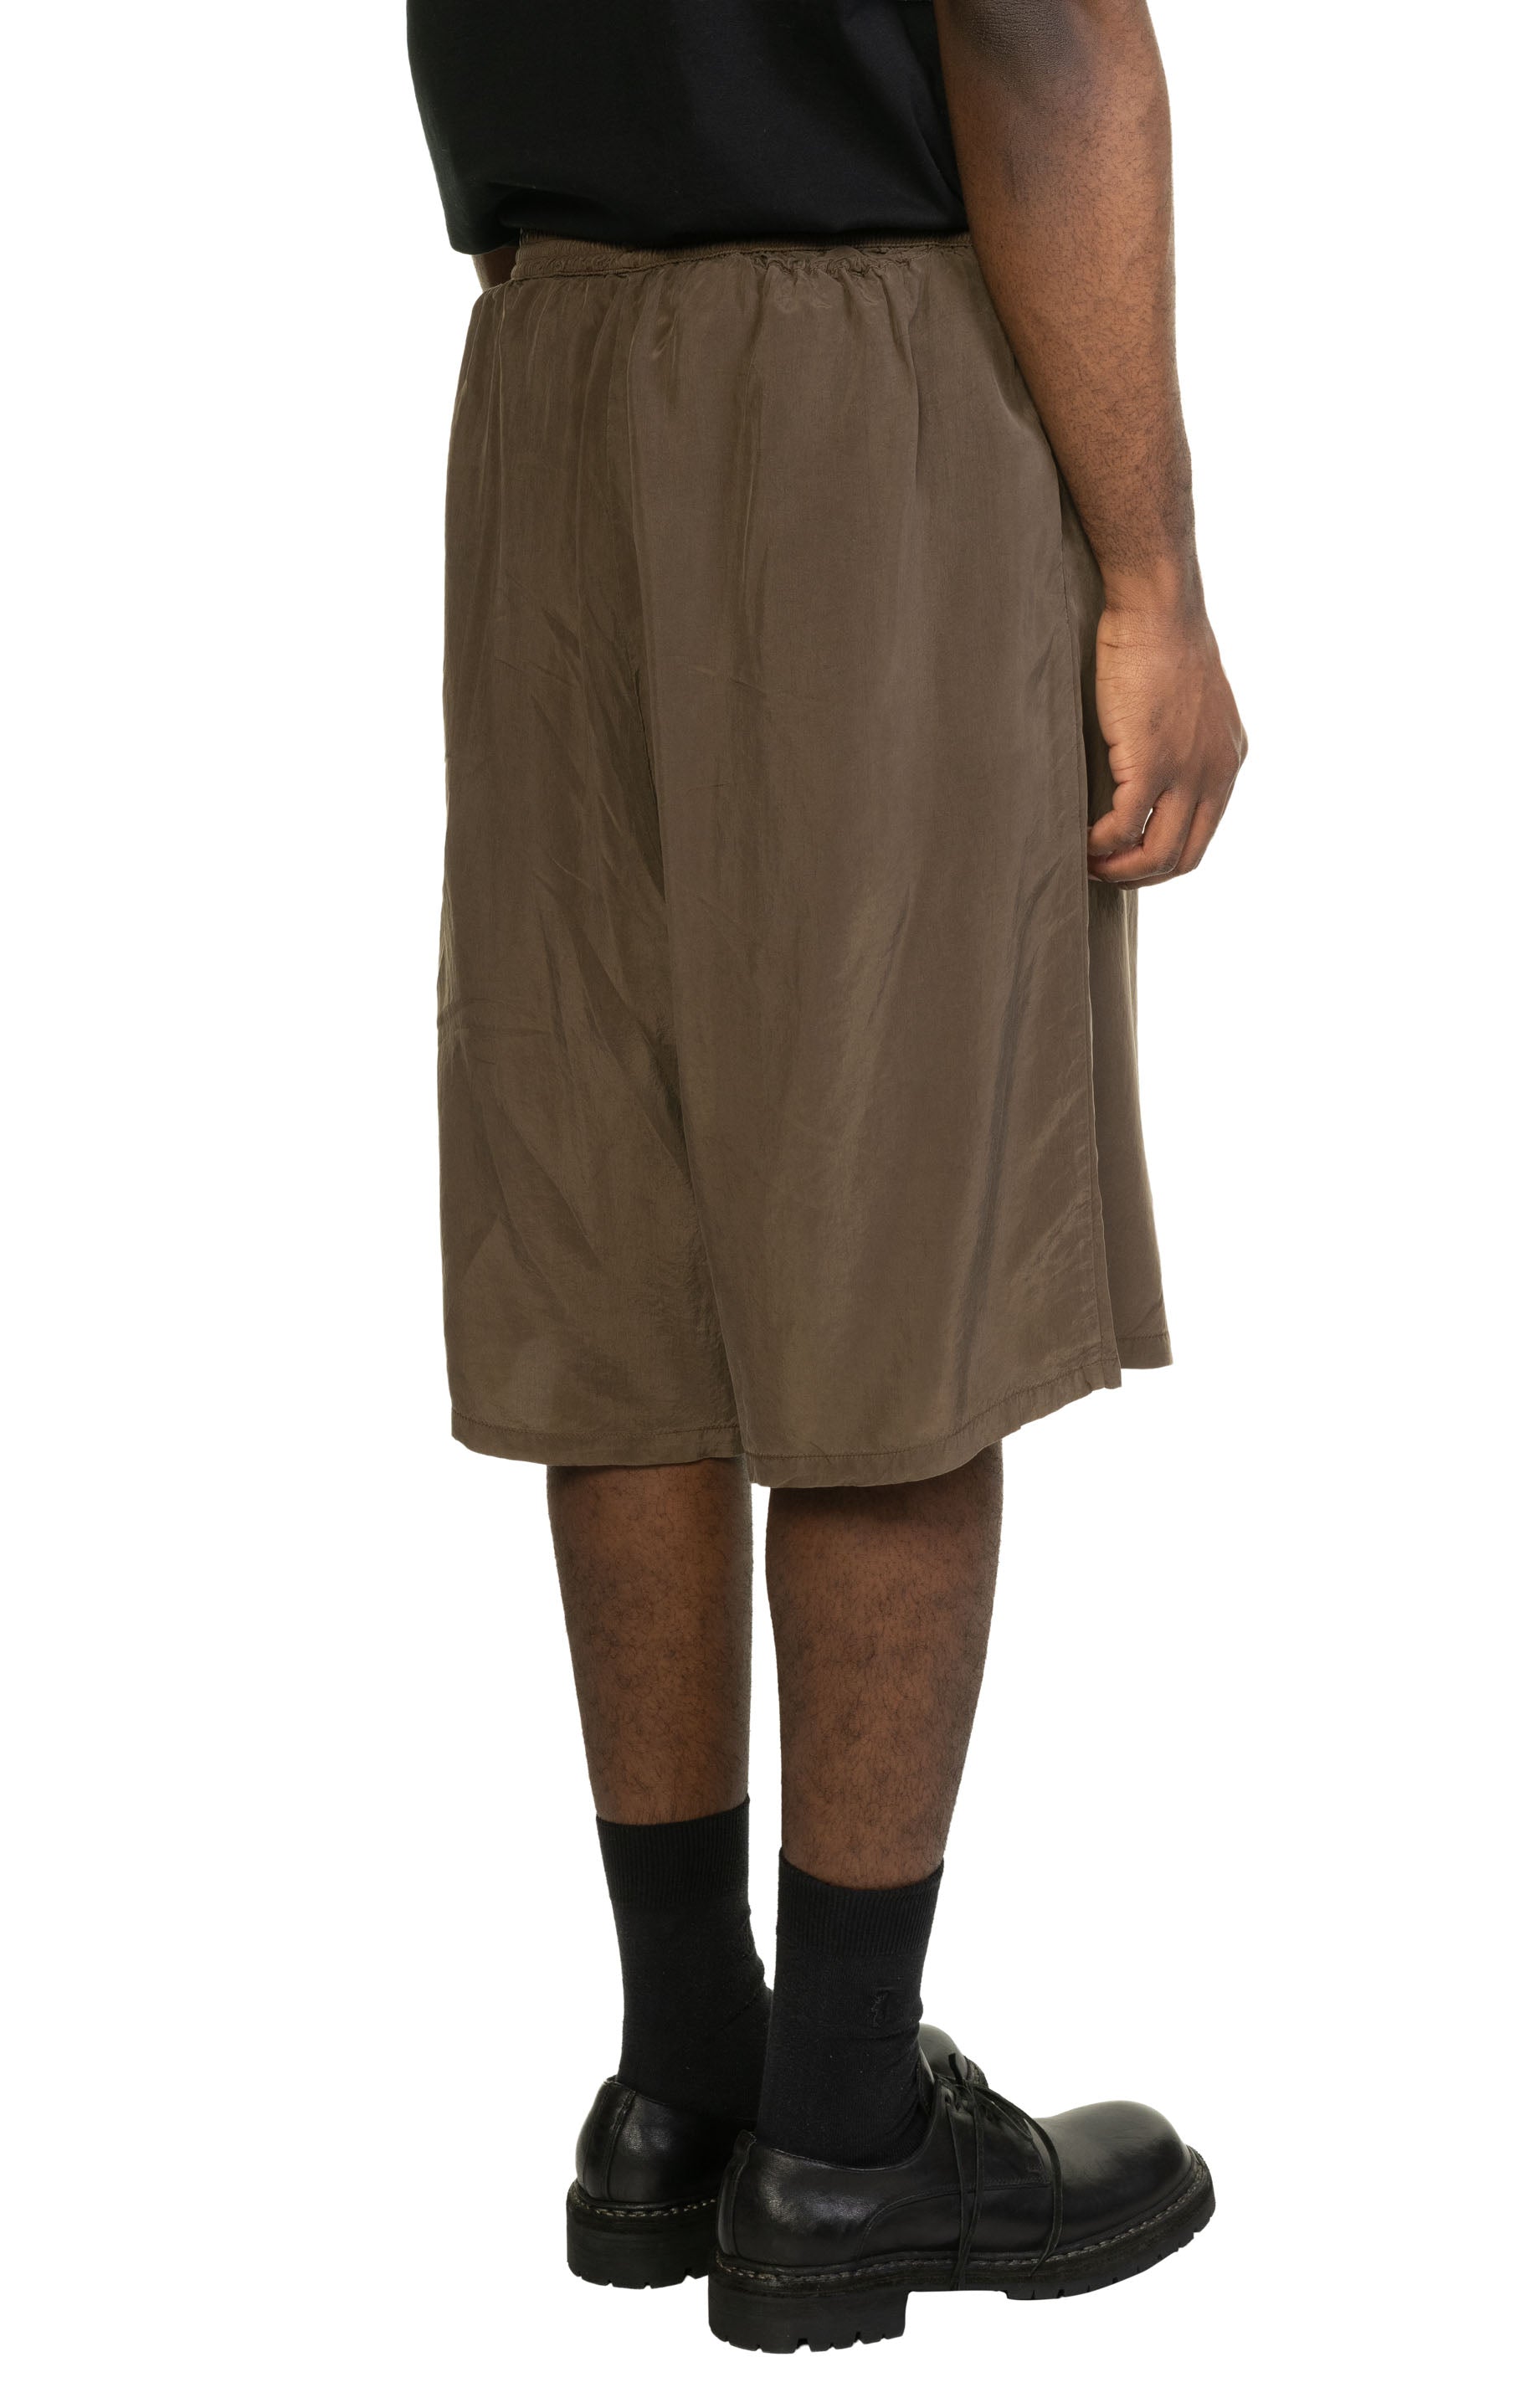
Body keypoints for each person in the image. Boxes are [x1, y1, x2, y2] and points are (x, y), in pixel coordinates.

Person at [407, 0, 1245, 2353]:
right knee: (895, 1247)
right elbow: (1040, 38)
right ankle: (846, 2137)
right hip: (860, 378)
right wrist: (1154, 577)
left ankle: (684, 2079)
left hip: (552, 360)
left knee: (623, 1240)